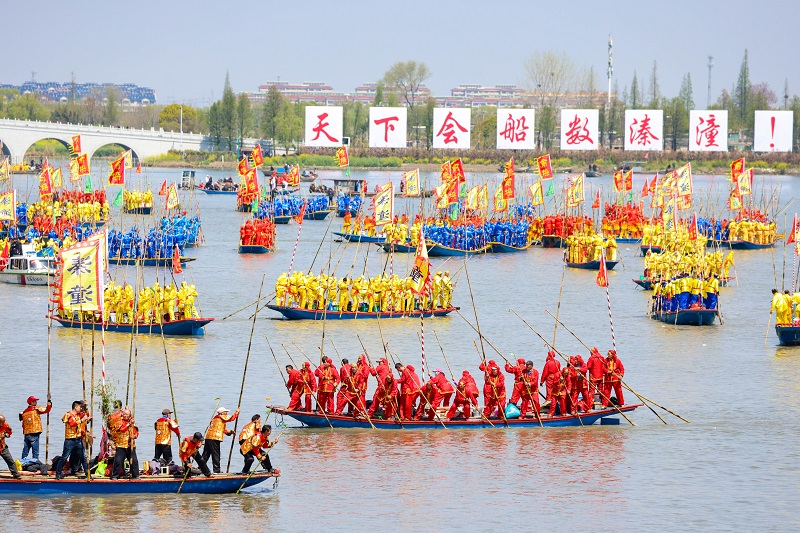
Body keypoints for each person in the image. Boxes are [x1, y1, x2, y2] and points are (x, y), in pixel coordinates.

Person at [55, 401, 89, 480]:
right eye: (80, 407)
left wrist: (86, 407)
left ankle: (88, 474)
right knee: (64, 457)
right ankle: (58, 473)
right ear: (75, 407)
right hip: (70, 440)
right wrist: (81, 420)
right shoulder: (68, 414)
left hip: (78, 439)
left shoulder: (78, 415)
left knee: (83, 457)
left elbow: (86, 415)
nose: (81, 409)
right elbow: (72, 423)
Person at [202, 407, 239, 474]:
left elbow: (221, 430)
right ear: (221, 413)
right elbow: (232, 418)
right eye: (225, 412)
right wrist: (237, 412)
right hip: (214, 438)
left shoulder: (216, 419)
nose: (226, 413)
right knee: (216, 454)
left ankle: (200, 468)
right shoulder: (221, 417)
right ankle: (216, 470)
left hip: (209, 437)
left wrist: (230, 432)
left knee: (206, 454)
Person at [19, 394, 52, 461]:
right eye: (34, 401)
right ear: (31, 402)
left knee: (25, 450)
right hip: (34, 432)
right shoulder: (36, 409)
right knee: (35, 451)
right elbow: (47, 409)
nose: (36, 402)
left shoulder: (24, 412)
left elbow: (23, 424)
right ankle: (35, 464)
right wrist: (49, 400)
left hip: (26, 433)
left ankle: (22, 463)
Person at [109, 408, 139, 480]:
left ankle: (136, 475)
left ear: (130, 415)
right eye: (124, 414)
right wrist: (129, 424)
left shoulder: (132, 422)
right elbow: (122, 430)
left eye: (127, 414)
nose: (125, 416)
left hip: (130, 445)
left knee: (134, 461)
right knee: (118, 461)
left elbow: (136, 432)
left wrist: (134, 436)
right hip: (121, 445)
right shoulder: (119, 422)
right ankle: (115, 476)